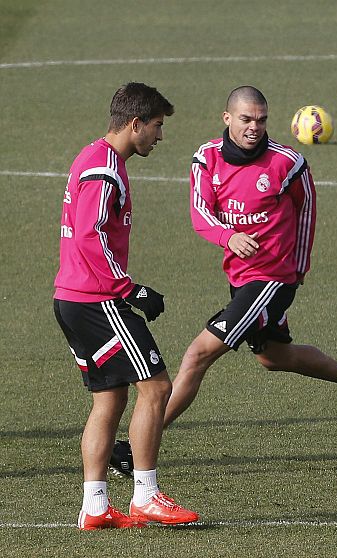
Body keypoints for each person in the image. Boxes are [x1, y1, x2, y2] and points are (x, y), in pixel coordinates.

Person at [110, 86, 337, 476]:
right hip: (241, 279)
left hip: (273, 280)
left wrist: (297, 271)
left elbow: (307, 212)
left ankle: (134, 448)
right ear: (227, 118)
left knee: (197, 356)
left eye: (261, 120)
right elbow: (200, 213)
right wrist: (228, 237)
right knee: (273, 357)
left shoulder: (288, 163)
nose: (254, 127)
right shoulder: (206, 159)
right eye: (246, 119)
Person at [54, 83, 199, 530]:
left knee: (109, 399)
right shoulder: (104, 169)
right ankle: (146, 495)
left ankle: (95, 506)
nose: (160, 136)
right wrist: (129, 289)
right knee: (157, 388)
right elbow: (90, 234)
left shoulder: (94, 156)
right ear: (135, 123)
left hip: (72, 298)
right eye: (157, 125)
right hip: (96, 300)